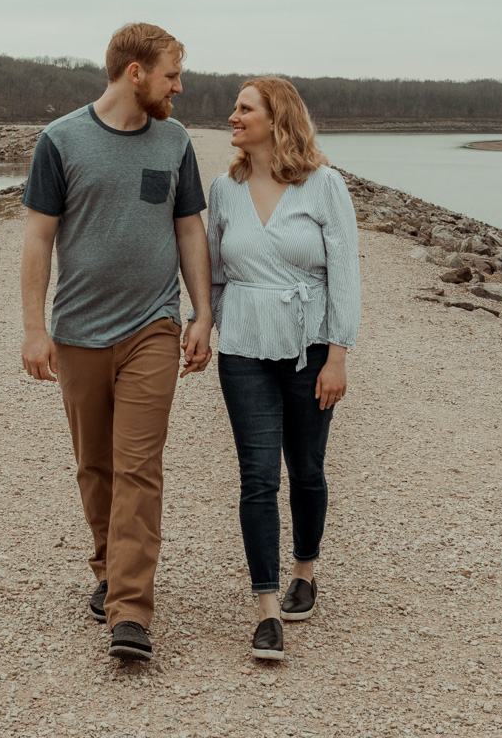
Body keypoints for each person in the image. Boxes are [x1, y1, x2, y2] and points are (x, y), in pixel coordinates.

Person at [20, 22, 214, 663]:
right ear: (136, 73)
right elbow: (38, 238)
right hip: (78, 332)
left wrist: (202, 314)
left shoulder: (175, 141)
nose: (178, 88)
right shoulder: (60, 140)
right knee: (96, 467)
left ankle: (130, 611)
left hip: (152, 327)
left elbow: (189, 230)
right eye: (171, 75)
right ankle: (108, 566)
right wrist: (34, 329)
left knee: (138, 466)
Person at [206, 77, 360, 661]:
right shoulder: (225, 189)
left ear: (277, 119)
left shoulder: (324, 186)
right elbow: (214, 271)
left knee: (307, 470)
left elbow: (345, 274)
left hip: (309, 350)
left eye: (244, 108)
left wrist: (338, 356)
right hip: (244, 350)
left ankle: (305, 571)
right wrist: (210, 324)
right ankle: (266, 609)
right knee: (258, 477)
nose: (233, 116)